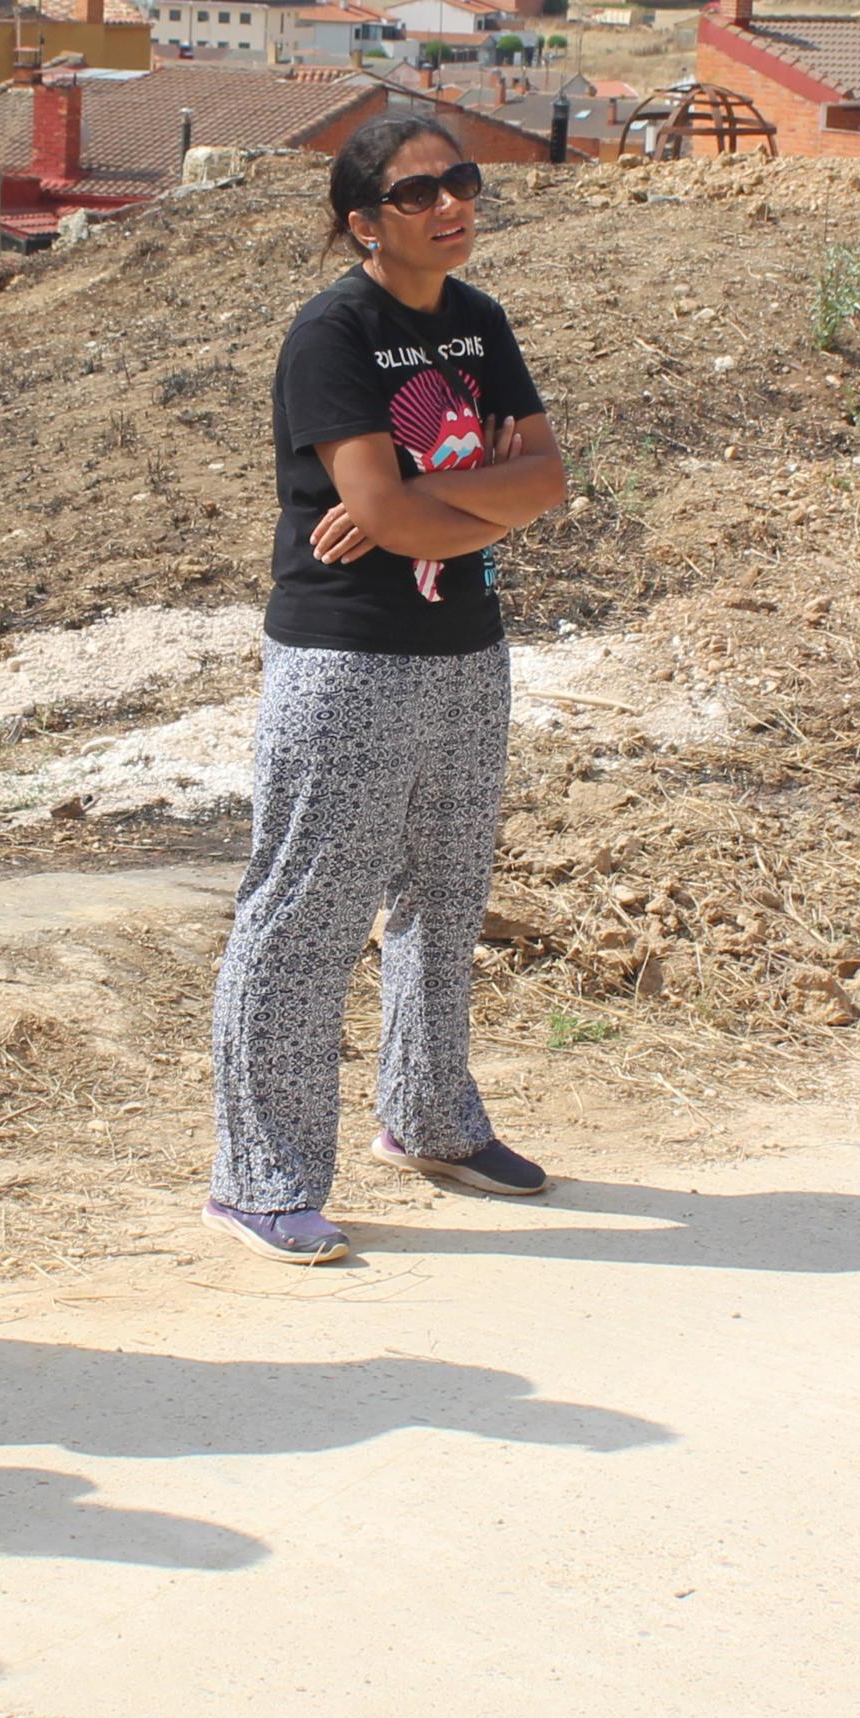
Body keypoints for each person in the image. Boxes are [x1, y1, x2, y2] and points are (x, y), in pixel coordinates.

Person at [206, 117, 568, 1265]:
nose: (451, 203)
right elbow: (393, 512)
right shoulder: (333, 331)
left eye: (460, 181)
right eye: (418, 192)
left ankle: (429, 1120)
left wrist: (427, 495)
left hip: (465, 642)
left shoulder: (477, 320)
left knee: (445, 895)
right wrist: (461, 489)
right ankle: (258, 1177)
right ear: (363, 221)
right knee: (305, 912)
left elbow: (547, 479)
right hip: (346, 653)